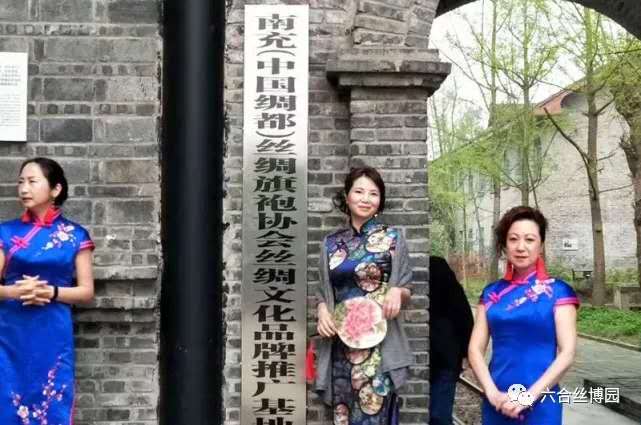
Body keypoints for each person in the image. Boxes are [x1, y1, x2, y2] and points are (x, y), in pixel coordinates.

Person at [314, 166, 413, 425]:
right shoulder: (330, 244)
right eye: (359, 191)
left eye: (373, 193)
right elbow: (323, 292)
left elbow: (406, 287)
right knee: (344, 415)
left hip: (379, 347)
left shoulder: (393, 239)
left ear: (380, 200)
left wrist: (397, 291)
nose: (366, 199)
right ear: (347, 197)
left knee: (374, 414)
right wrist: (322, 311)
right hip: (341, 346)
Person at [0, 157, 95, 424]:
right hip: (10, 332)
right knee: (7, 403)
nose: (24, 189)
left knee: (53, 406)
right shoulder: (5, 232)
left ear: (56, 189)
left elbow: (86, 292)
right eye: (20, 182)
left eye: (32, 182)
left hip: (53, 332)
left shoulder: (76, 235)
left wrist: (51, 292)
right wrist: (15, 292)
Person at [468, 206, 579, 424]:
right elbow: (474, 350)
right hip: (498, 401)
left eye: (529, 239)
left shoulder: (558, 292)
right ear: (504, 245)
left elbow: (567, 353)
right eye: (513, 239)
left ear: (541, 245)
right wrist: (491, 393)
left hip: (541, 402)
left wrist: (528, 397)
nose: (521, 247)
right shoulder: (491, 293)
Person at [429, 256, 474, 425]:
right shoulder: (454, 292)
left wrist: (467, 353)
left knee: (438, 413)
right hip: (447, 358)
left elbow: (463, 318)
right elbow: (465, 318)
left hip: (444, 359)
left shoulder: (437, 270)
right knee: (439, 414)